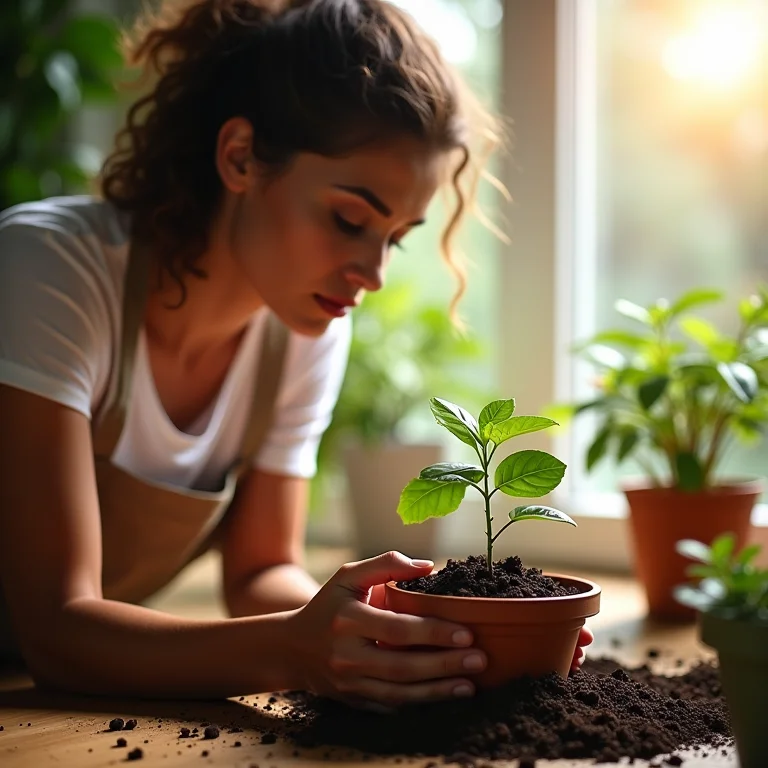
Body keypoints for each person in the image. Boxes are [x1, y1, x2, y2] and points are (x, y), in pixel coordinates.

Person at [0, 0, 592, 708]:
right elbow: (58, 634)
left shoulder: (302, 337)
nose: (373, 273)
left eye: (395, 237)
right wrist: (296, 651)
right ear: (240, 156)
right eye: (349, 220)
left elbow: (260, 573)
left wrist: (410, 630)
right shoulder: (49, 271)